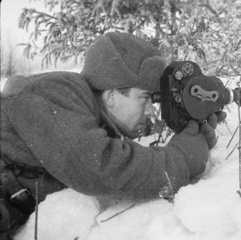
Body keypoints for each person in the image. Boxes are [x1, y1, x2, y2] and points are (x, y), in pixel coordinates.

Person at [0, 32, 225, 237]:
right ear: (111, 95)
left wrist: (192, 123)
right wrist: (182, 159)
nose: (150, 111)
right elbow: (101, 167)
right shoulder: (54, 92)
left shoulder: (90, 117)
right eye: (145, 98)